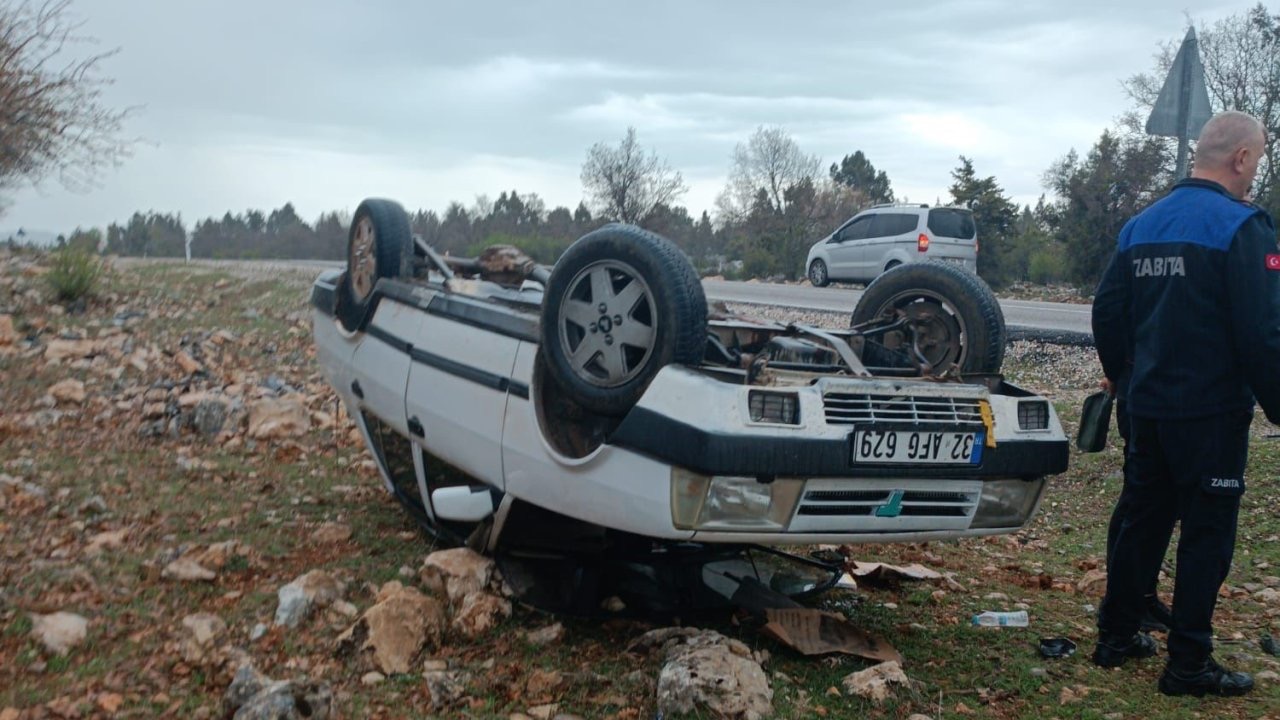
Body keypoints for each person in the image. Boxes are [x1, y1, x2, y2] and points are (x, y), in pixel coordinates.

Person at [1091, 110, 1279, 697]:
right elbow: (1264, 333)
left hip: (1146, 409)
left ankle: (1115, 637)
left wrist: (1123, 378)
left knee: (1142, 521)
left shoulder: (1140, 226)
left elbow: (1107, 313)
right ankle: (1188, 665)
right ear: (1242, 158)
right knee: (1206, 534)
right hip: (1211, 414)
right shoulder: (1242, 227)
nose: (1257, 169)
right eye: (1260, 157)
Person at [1099, 373, 1174, 633]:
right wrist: (1113, 370)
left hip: (1159, 391)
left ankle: (1142, 595)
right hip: (1141, 389)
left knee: (1162, 502)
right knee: (1138, 499)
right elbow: (1108, 331)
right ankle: (1124, 601)